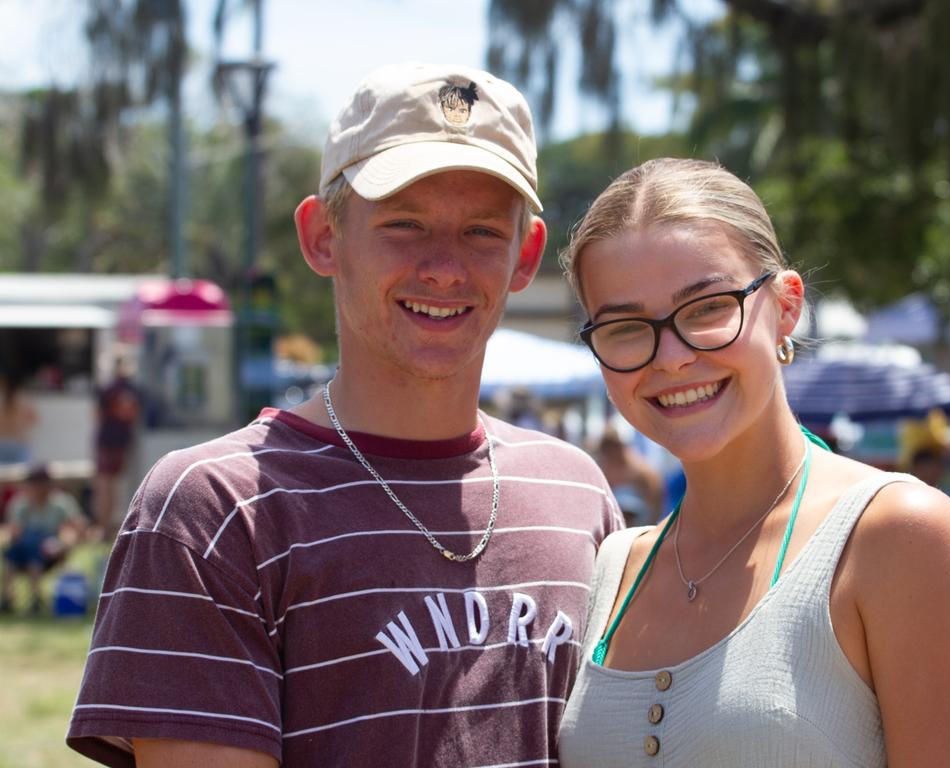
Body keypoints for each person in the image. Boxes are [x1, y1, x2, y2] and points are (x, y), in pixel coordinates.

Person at [67, 62, 621, 767]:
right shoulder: (215, 509)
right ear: (322, 237)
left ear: (526, 254)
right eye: (404, 225)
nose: (445, 267)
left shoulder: (577, 493)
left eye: (482, 231)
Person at [556, 158, 950, 766]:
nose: (669, 358)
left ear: (786, 306)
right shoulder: (610, 566)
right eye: (625, 327)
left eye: (707, 308)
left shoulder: (897, 535)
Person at [1, 464, 86, 613]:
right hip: (23, 550)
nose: (37, 488)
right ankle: (8, 598)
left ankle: (35, 598)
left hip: (50, 552)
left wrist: (64, 545)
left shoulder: (61, 503)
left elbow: (77, 527)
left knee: (35, 552)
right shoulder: (20, 503)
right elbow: (14, 532)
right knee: (15, 553)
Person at [92, 356, 142, 539]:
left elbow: (97, 415)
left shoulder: (107, 388)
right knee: (117, 485)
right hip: (122, 440)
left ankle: (104, 527)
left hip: (107, 439)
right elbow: (136, 417)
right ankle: (113, 526)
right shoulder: (133, 389)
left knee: (105, 485)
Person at [594, 424, 664, 526]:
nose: (611, 451)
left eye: (614, 445)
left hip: (639, 524)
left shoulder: (643, 472)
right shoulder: (602, 469)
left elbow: (656, 504)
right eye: (608, 446)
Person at [0, 374, 37, 465]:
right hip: (18, 442)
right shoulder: (23, 401)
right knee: (21, 475)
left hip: (3, 442)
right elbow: (34, 419)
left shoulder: (3, 401)